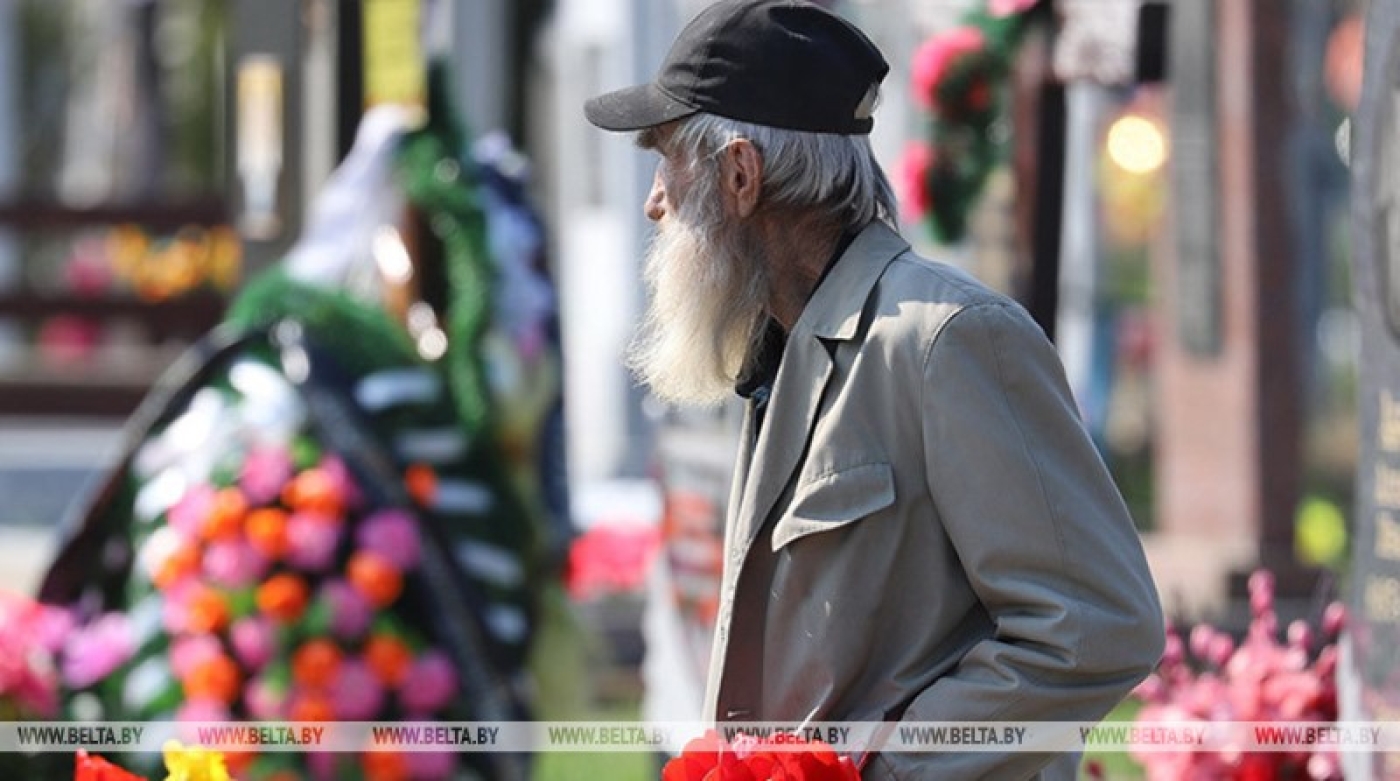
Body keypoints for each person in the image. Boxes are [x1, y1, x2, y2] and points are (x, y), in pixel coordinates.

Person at [584, 1, 1165, 778]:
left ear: (740, 174)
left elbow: (1097, 623)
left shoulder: (946, 338)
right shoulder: (783, 344)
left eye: (667, 161)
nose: (656, 200)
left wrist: (885, 768)